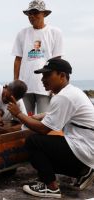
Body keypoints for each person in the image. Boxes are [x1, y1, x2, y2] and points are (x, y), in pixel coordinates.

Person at [7, 58, 94, 198]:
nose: (43, 79)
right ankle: (83, 171)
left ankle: (51, 187)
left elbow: (43, 129)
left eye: (47, 75)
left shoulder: (63, 97)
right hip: (88, 148)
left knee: (34, 142)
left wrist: (18, 113)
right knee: (47, 149)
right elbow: (54, 114)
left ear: (62, 76)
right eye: (42, 75)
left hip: (84, 149)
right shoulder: (72, 92)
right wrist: (36, 117)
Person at [12, 0, 63, 115]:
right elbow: (18, 60)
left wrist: (56, 85)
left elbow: (57, 61)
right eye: (29, 13)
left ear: (44, 14)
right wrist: (16, 82)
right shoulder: (22, 33)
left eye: (35, 13)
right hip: (25, 86)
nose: (32, 16)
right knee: (25, 120)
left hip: (45, 86)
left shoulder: (55, 32)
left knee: (43, 120)